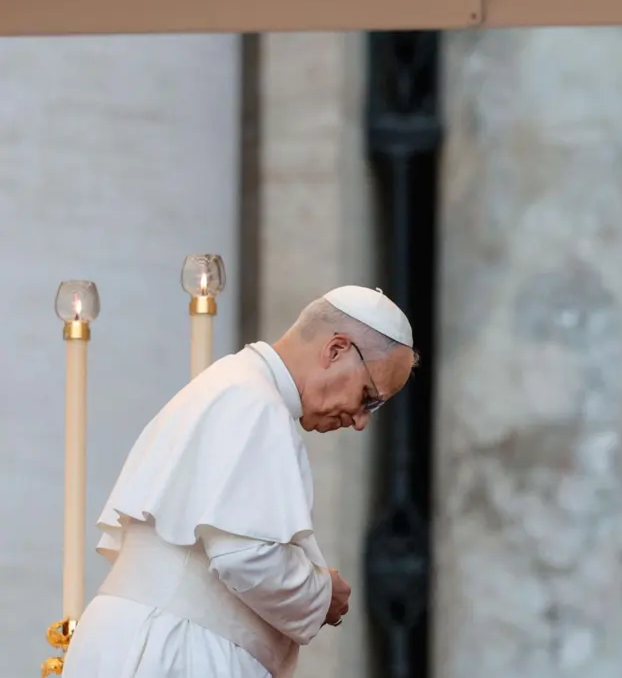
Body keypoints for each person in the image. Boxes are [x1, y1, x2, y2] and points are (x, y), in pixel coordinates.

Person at [62, 286, 417, 678]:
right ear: (335, 350)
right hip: (176, 652)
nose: (361, 419)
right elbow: (246, 556)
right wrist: (321, 594)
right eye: (368, 396)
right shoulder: (255, 403)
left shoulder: (234, 386)